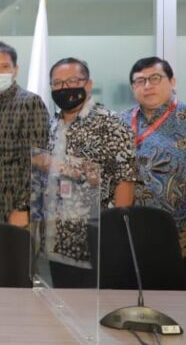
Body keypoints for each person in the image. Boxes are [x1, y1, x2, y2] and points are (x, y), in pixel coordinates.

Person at [124, 57, 186, 290]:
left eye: (155, 78)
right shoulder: (120, 122)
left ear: (172, 82)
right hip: (131, 240)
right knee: (135, 305)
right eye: (140, 81)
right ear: (133, 88)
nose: (148, 86)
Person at [45, 57, 137, 288]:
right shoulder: (52, 125)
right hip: (58, 238)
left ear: (88, 84)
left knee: (96, 303)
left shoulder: (111, 123)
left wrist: (116, 233)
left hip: (97, 239)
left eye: (72, 81)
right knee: (63, 302)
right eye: (58, 83)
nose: (65, 88)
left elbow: (125, 180)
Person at [0, 42, 49, 226]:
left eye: (5, 66)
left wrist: (23, 206)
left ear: (15, 70)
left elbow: (36, 161)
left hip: (15, 207)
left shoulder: (30, 102)